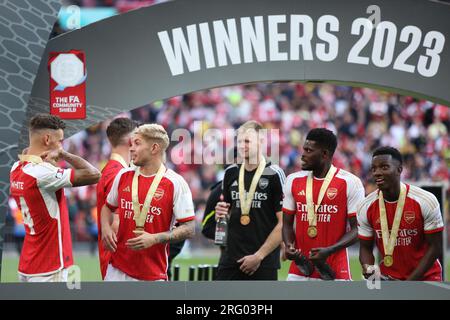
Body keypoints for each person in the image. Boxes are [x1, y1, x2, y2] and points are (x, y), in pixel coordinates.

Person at [9, 114, 101, 282]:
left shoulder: (16, 168)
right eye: (60, 141)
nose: (61, 145)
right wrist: (64, 154)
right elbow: (94, 174)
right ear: (47, 139)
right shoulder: (41, 173)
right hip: (49, 269)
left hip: (27, 265)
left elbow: (27, 156)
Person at [101, 124, 196, 281]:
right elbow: (107, 207)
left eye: (137, 143)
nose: (131, 149)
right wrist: (105, 228)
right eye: (131, 144)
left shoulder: (175, 183)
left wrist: (155, 238)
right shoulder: (123, 175)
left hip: (152, 275)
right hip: (116, 269)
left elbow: (190, 228)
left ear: (154, 148)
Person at [282, 128, 365, 281]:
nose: (303, 155)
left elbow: (358, 228)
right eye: (304, 149)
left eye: (308, 150)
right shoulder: (293, 180)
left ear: (324, 154)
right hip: (300, 269)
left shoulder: (350, 183)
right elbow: (286, 224)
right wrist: (288, 245)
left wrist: (329, 250)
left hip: (334, 267)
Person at [358, 146, 444, 281]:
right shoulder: (365, 206)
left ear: (399, 170)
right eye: (374, 169)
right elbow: (365, 248)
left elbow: (435, 248)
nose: (377, 173)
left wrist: (407, 284)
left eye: (384, 167)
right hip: (389, 280)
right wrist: (369, 269)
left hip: (426, 279)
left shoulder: (425, 200)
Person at [215, 121, 285, 280]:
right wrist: (220, 214)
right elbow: (226, 215)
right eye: (239, 141)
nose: (241, 145)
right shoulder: (230, 172)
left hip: (263, 261)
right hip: (231, 258)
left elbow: (284, 223)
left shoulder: (274, 174)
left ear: (261, 142)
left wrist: (258, 256)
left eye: (247, 141)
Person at [96, 117, 137, 280]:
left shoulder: (110, 169)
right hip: (117, 265)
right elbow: (116, 225)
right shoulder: (117, 174)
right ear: (130, 141)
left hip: (114, 263)